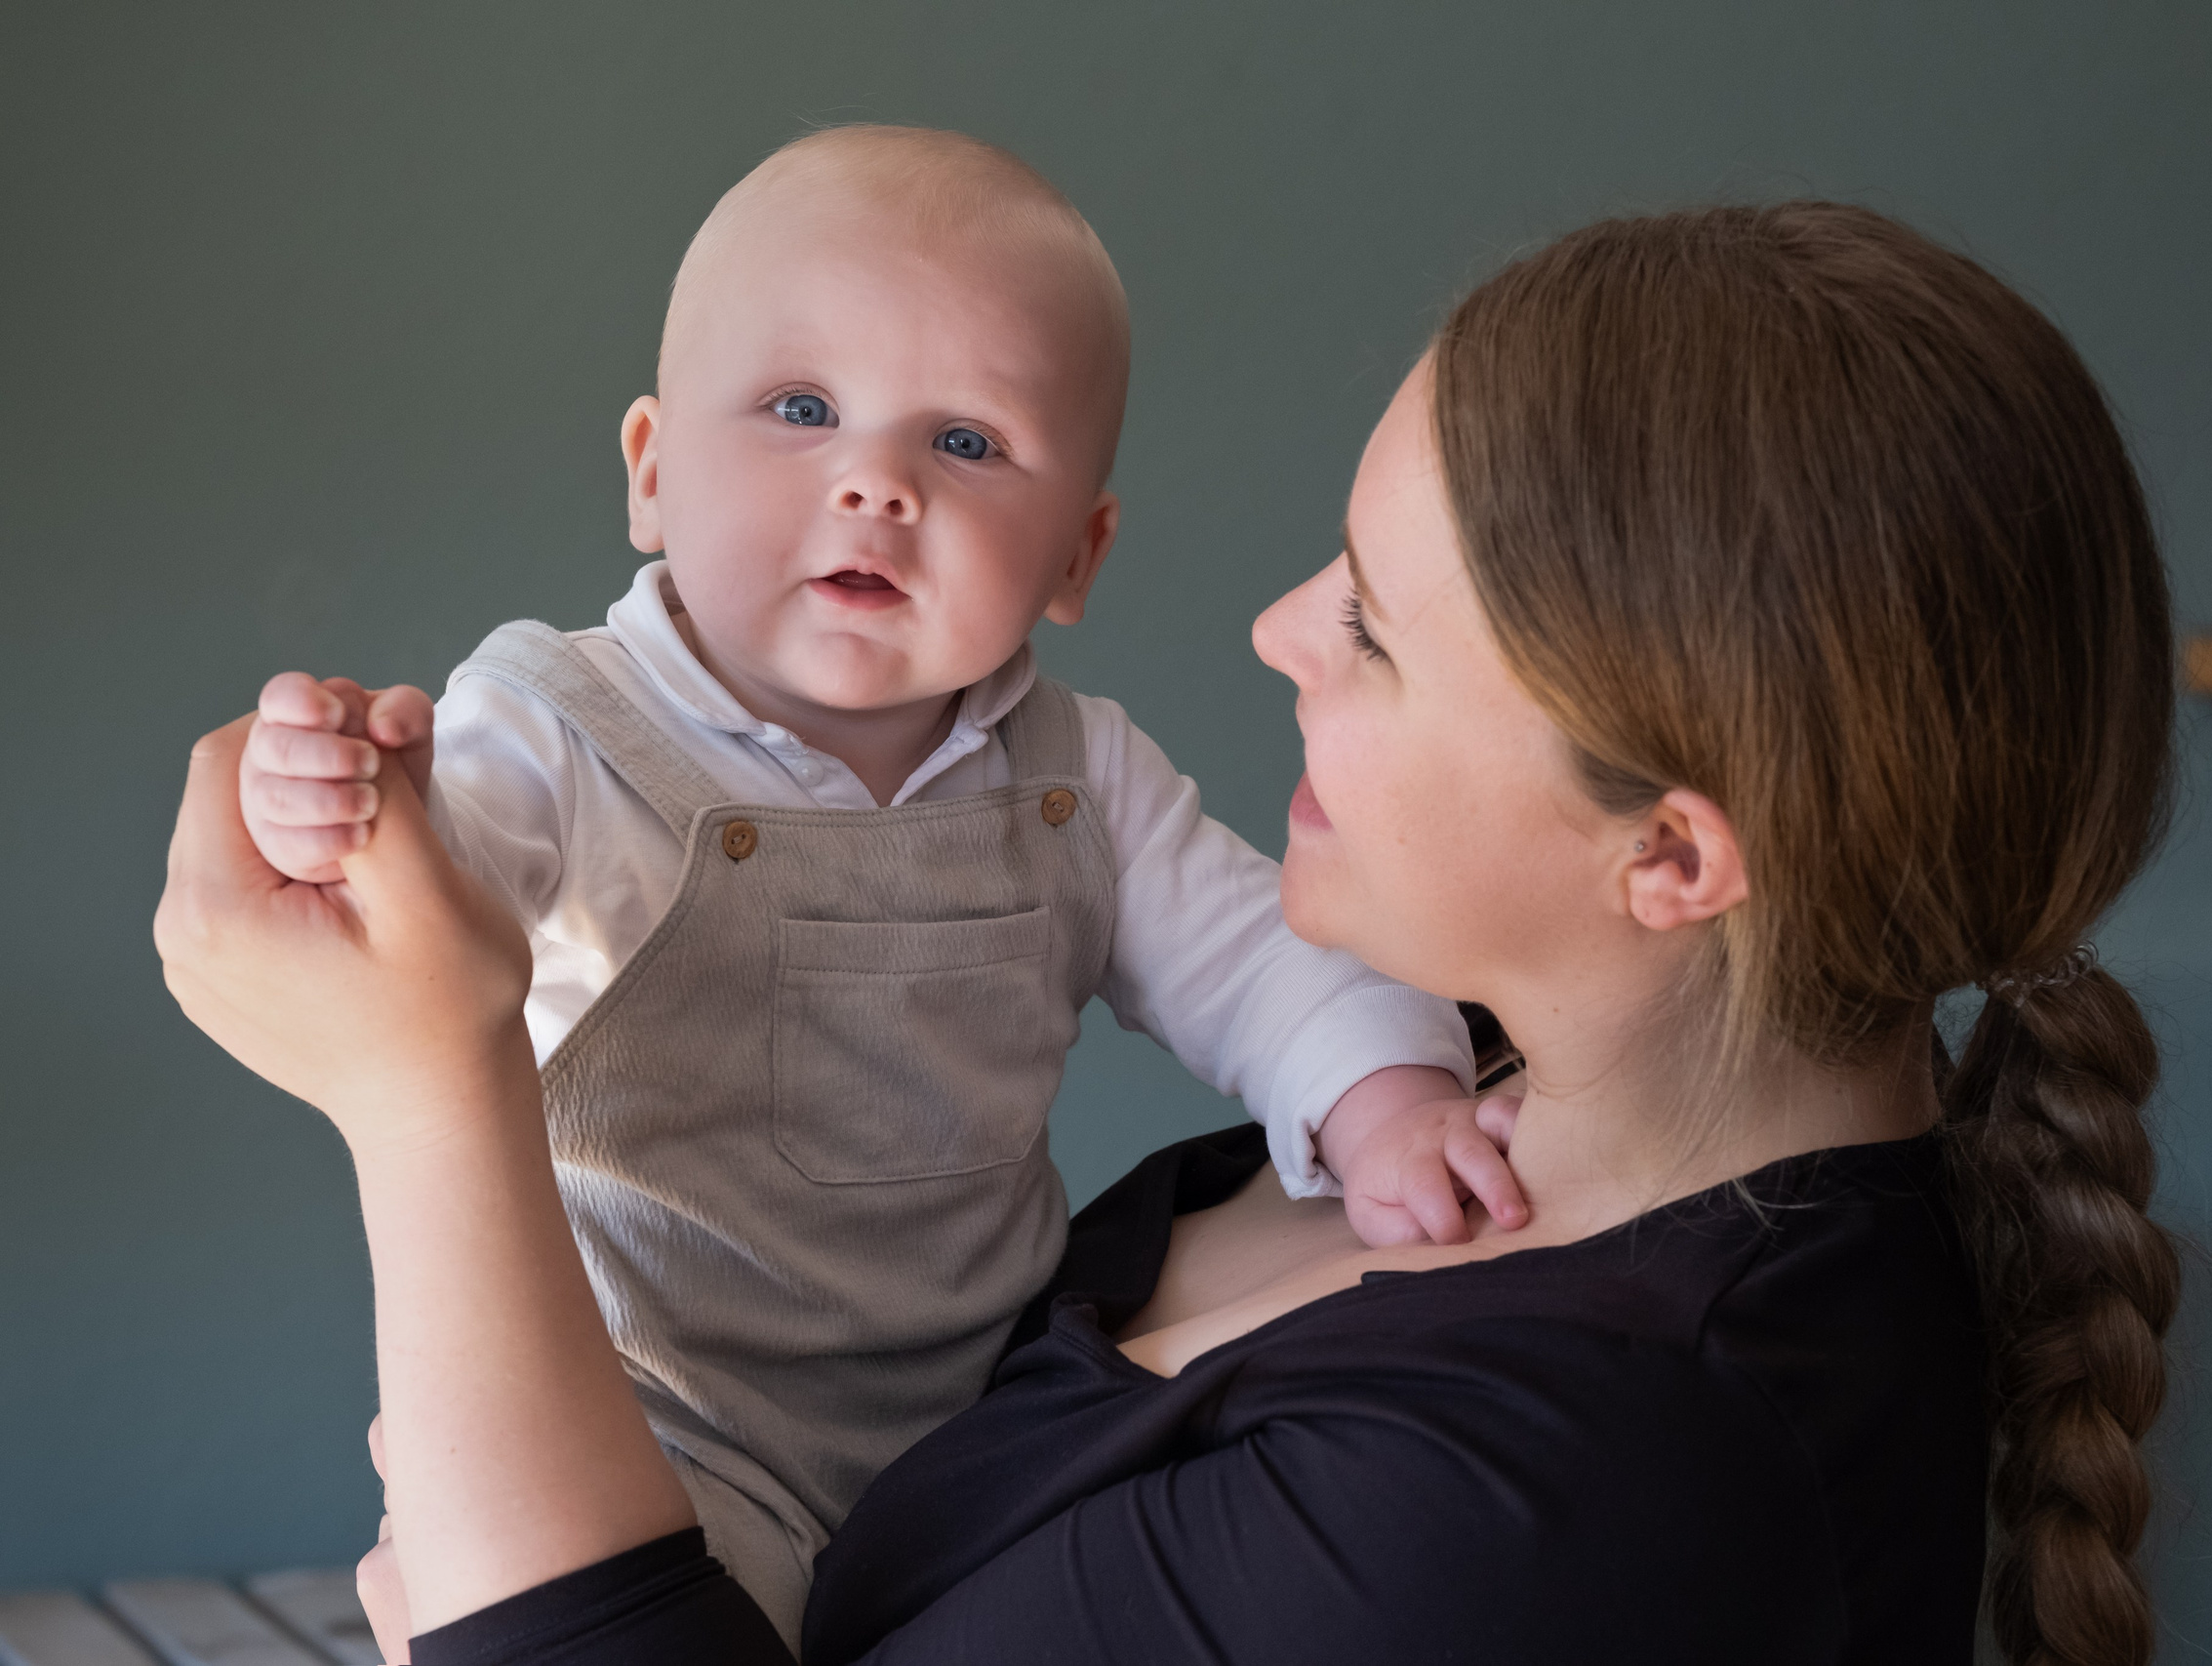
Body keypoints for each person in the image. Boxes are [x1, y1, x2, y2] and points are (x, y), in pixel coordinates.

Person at [159, 202, 2184, 1665]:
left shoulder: (1545, 1503)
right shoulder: (1498, 1100)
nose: (1275, 630)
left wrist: (423, 1092)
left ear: (1670, 854)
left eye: (1372, 625)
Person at [219, 125, 1510, 1647]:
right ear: (649, 473)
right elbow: (436, 924)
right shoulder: (557, 724)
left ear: (1076, 560)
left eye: (965, 443)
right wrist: (343, 812)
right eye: (801, 408)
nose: (877, 483)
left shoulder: (1077, 776)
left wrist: (1389, 1108)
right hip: (656, 1426)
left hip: (987, 1422)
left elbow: (1266, 964)